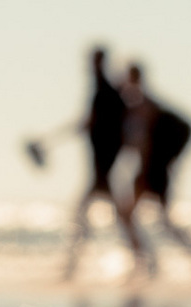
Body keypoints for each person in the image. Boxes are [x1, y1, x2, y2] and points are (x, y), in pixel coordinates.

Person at [61, 47, 146, 282]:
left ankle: (72, 268)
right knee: (109, 217)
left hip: (103, 168)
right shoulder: (106, 91)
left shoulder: (105, 92)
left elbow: (99, 124)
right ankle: (143, 262)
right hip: (102, 167)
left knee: (86, 216)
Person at [119, 63, 191, 282]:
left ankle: (153, 261)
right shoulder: (140, 104)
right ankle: (156, 260)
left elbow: (144, 142)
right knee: (147, 218)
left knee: (144, 217)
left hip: (151, 171)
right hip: (151, 170)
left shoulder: (146, 105)